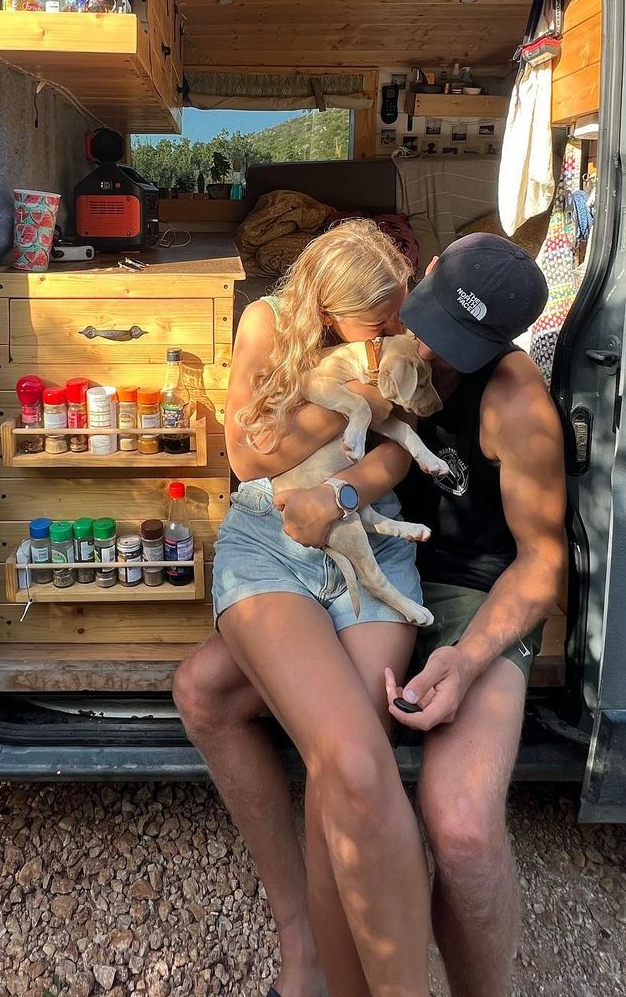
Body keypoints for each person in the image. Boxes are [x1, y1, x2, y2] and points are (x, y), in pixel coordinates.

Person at [174, 232, 568, 997]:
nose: (423, 347)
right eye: (418, 321)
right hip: (360, 560)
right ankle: (309, 945)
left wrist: (467, 656)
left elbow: (543, 563)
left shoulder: (517, 404)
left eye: (454, 345)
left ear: (499, 342)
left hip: (467, 599)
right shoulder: (376, 333)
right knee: (206, 691)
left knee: (458, 822)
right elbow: (274, 451)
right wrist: (344, 486)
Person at [208, 219, 433, 997]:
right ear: (333, 314)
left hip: (369, 537)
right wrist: (353, 400)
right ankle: (307, 951)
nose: (397, 330)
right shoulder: (267, 322)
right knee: (355, 763)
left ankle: (331, 970)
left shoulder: (393, 329)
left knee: (347, 768)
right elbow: (246, 456)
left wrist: (346, 484)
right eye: (382, 321)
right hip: (272, 542)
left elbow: (402, 444)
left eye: (399, 313)